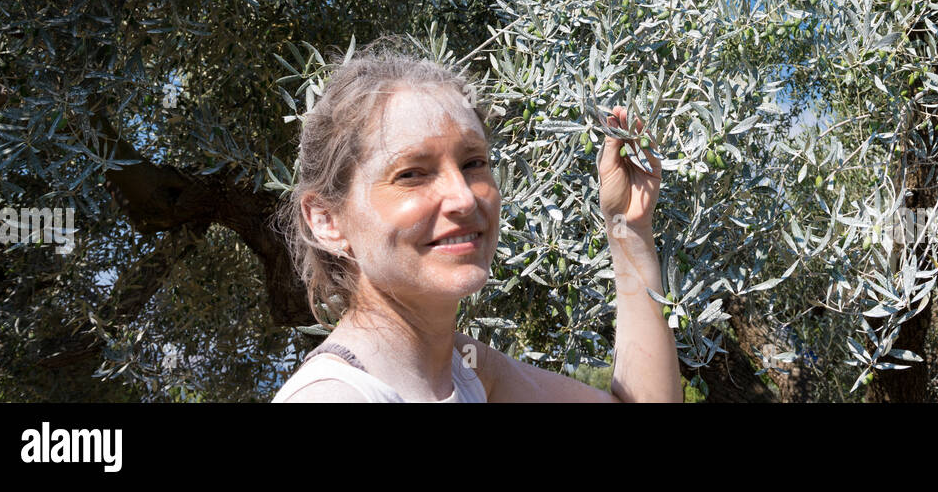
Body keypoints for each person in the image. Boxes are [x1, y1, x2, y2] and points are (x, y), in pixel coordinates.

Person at [271, 39, 682, 402]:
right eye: (412, 174)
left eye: (474, 163)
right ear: (327, 220)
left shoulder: (466, 371)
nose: (464, 198)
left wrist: (627, 229)